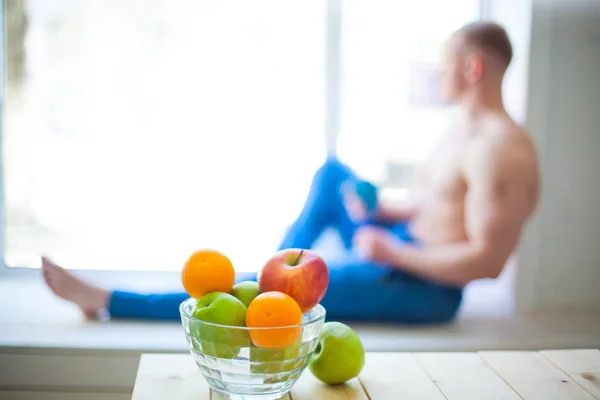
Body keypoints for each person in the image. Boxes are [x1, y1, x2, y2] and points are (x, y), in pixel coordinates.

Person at [42, 22, 539, 324]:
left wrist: (392, 250)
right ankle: (272, 275)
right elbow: (437, 207)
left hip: (424, 287)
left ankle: (110, 301)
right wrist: (383, 210)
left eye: (445, 61)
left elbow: (486, 262)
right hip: (399, 244)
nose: (438, 72)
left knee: (273, 288)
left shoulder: (503, 151)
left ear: (472, 68)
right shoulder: (461, 130)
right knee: (332, 173)